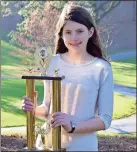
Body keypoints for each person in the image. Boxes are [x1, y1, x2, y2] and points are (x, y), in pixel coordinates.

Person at [22, 3, 114, 151]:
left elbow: (105, 120)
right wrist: (32, 110)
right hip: (48, 145)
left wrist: (72, 125)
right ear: (61, 34)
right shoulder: (52, 63)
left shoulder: (102, 69)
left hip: (82, 147)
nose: (74, 37)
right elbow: (47, 108)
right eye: (68, 32)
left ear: (90, 32)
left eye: (79, 31)